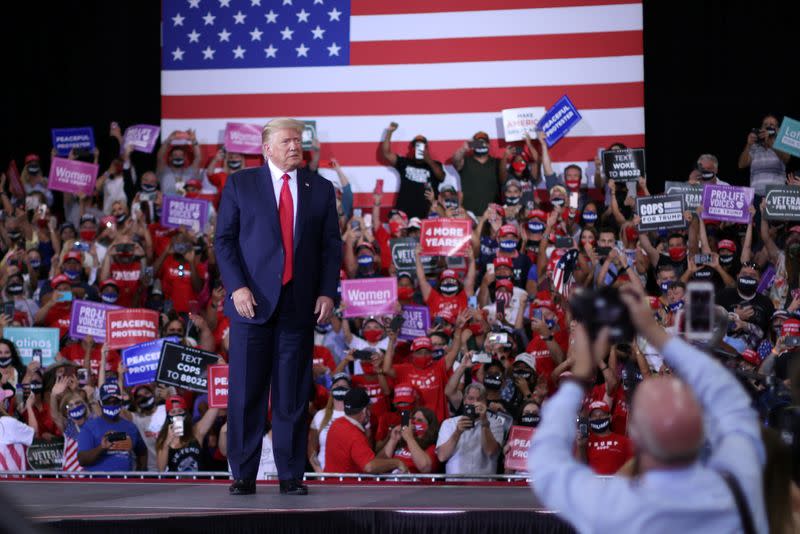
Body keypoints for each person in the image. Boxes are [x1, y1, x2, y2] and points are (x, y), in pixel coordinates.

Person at [529, 283, 768, 533]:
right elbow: (734, 405)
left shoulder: (611, 505)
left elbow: (545, 462)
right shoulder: (732, 498)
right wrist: (655, 333)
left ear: (637, 436)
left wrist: (578, 377)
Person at [215, 117, 342, 496]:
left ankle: (290, 475)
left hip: (298, 306)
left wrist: (327, 292)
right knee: (246, 393)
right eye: (287, 141)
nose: (294, 146)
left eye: (298, 141)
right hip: (251, 305)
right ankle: (243, 474)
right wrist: (236, 287)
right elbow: (224, 241)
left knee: (292, 394)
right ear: (266, 147)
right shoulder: (241, 184)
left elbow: (330, 247)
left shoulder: (319, 188)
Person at [324, 387, 409, 474]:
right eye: (369, 408)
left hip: (335, 485)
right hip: (348, 486)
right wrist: (397, 462)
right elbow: (370, 467)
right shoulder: (354, 434)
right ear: (365, 411)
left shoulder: (336, 424)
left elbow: (372, 461)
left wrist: (393, 440)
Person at [436, 382, 505, 476]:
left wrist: (484, 422)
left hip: (484, 485)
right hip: (455, 485)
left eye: (479, 399)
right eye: (471, 398)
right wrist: (457, 432)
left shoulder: (495, 423)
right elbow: (442, 456)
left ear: (485, 402)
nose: (475, 403)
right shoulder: (449, 424)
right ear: (464, 401)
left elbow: (490, 451)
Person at [77, 382, 147, 471]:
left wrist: (139, 475)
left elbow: (142, 452)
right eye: (107, 402)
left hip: (125, 482)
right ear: (100, 402)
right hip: (97, 483)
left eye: (115, 401)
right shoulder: (89, 427)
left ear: (121, 401)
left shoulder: (131, 427)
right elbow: (82, 460)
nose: (112, 405)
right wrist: (101, 448)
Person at [381, 123, 445, 219]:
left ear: (426, 148)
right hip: (404, 216)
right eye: (416, 145)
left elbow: (441, 177)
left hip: (427, 214)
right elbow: (386, 153)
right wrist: (389, 132)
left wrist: (428, 160)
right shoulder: (405, 162)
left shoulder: (435, 165)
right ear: (412, 148)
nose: (419, 148)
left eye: (422, 146)